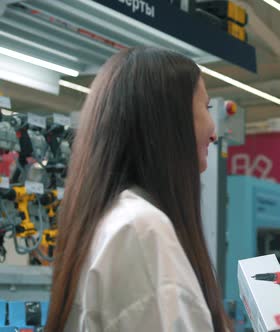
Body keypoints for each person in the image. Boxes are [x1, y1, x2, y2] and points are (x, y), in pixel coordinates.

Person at [46, 47, 229, 331]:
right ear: (169, 119)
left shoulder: (113, 220)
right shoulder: (141, 229)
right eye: (205, 108)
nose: (214, 131)